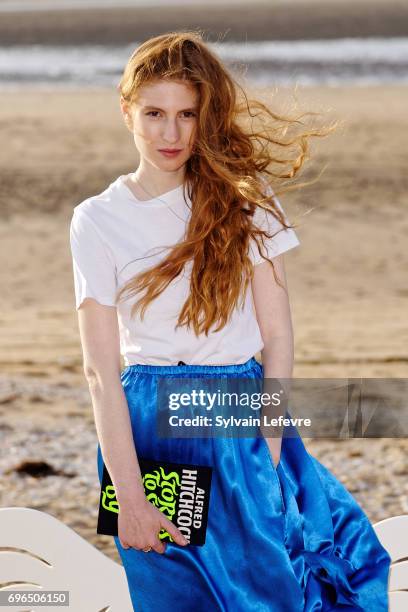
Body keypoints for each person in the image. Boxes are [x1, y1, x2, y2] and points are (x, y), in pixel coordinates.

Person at [69, 31, 391, 612]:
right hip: (152, 426)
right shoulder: (96, 220)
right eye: (154, 114)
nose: (171, 133)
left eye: (187, 115)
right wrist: (130, 494)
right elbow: (99, 371)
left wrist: (269, 442)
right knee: (175, 596)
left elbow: (278, 334)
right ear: (126, 112)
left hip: (241, 410)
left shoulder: (247, 198)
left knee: (279, 589)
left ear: (206, 117)